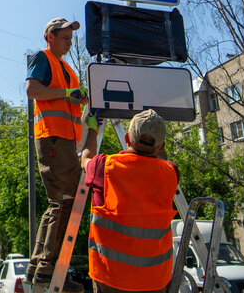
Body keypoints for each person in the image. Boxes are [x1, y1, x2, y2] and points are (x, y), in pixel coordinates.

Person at [81, 109, 179, 293]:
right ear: (161, 145)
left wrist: (93, 129)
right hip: (155, 281)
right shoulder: (171, 173)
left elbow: (85, 158)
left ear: (127, 138)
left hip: (111, 279)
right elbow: (163, 161)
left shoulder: (105, 166)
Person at [25, 17, 88, 292]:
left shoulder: (67, 68)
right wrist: (68, 93)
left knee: (58, 204)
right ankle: (49, 271)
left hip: (65, 142)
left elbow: (68, 98)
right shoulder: (44, 57)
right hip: (53, 139)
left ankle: (39, 268)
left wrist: (80, 97)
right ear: (49, 36)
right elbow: (32, 90)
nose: (69, 42)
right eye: (65, 37)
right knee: (64, 202)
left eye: (71, 39)